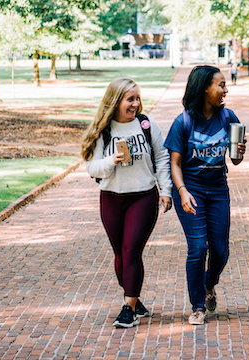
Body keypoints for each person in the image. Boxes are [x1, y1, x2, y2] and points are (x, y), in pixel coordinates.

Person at [81, 78, 172, 328]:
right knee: (120, 254)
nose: (135, 104)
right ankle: (134, 297)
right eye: (130, 99)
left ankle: (128, 308)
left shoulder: (146, 124)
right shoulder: (104, 130)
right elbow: (92, 166)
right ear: (115, 101)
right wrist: (111, 160)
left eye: (137, 98)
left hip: (143, 196)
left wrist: (166, 191)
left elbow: (162, 157)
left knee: (132, 250)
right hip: (111, 198)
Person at [164, 65, 247, 325]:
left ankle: (210, 285)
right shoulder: (184, 121)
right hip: (191, 191)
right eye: (220, 84)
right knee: (198, 248)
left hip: (218, 190)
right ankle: (197, 306)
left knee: (220, 251)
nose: (225, 89)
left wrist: (240, 151)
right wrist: (182, 191)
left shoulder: (229, 117)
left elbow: (234, 160)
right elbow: (174, 164)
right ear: (204, 89)